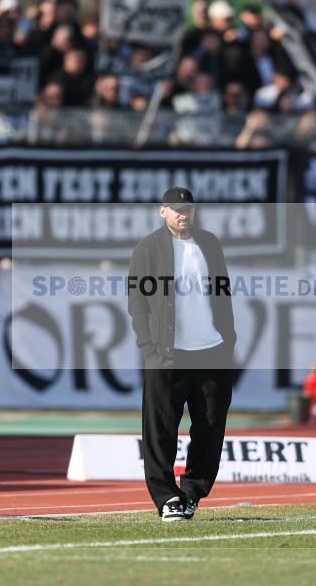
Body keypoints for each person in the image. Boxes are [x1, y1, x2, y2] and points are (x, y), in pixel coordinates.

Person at [127, 187, 236, 521]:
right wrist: (148, 346)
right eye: (175, 209)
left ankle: (191, 493)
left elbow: (223, 293)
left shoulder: (210, 243)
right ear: (163, 211)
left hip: (211, 351)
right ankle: (166, 497)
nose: (182, 214)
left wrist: (228, 339)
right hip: (168, 354)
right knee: (160, 429)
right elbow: (137, 302)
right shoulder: (148, 248)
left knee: (211, 426)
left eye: (187, 208)